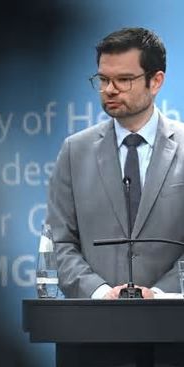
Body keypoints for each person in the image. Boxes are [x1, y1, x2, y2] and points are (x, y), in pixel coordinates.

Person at [47, 27, 184, 299]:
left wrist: (159, 293)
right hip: (95, 330)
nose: (110, 90)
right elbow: (59, 243)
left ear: (155, 81)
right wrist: (100, 292)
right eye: (103, 79)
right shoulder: (75, 151)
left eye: (123, 79)